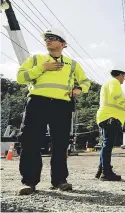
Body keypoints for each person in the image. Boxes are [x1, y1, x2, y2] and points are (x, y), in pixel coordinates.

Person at [16, 28, 91, 195]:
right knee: (30, 142)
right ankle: (29, 182)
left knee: (60, 144)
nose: (48, 40)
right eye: (47, 38)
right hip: (37, 102)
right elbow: (20, 77)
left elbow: (86, 82)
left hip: (62, 106)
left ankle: (59, 181)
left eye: (52, 38)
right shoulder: (36, 59)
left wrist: (78, 89)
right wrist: (43, 68)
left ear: (63, 44)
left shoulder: (72, 64)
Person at [95, 66, 125, 181]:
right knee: (107, 146)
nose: (124, 79)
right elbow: (117, 97)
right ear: (120, 75)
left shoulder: (109, 82)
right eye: (124, 77)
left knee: (105, 145)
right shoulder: (114, 82)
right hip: (111, 117)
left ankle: (101, 169)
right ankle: (106, 172)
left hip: (106, 117)